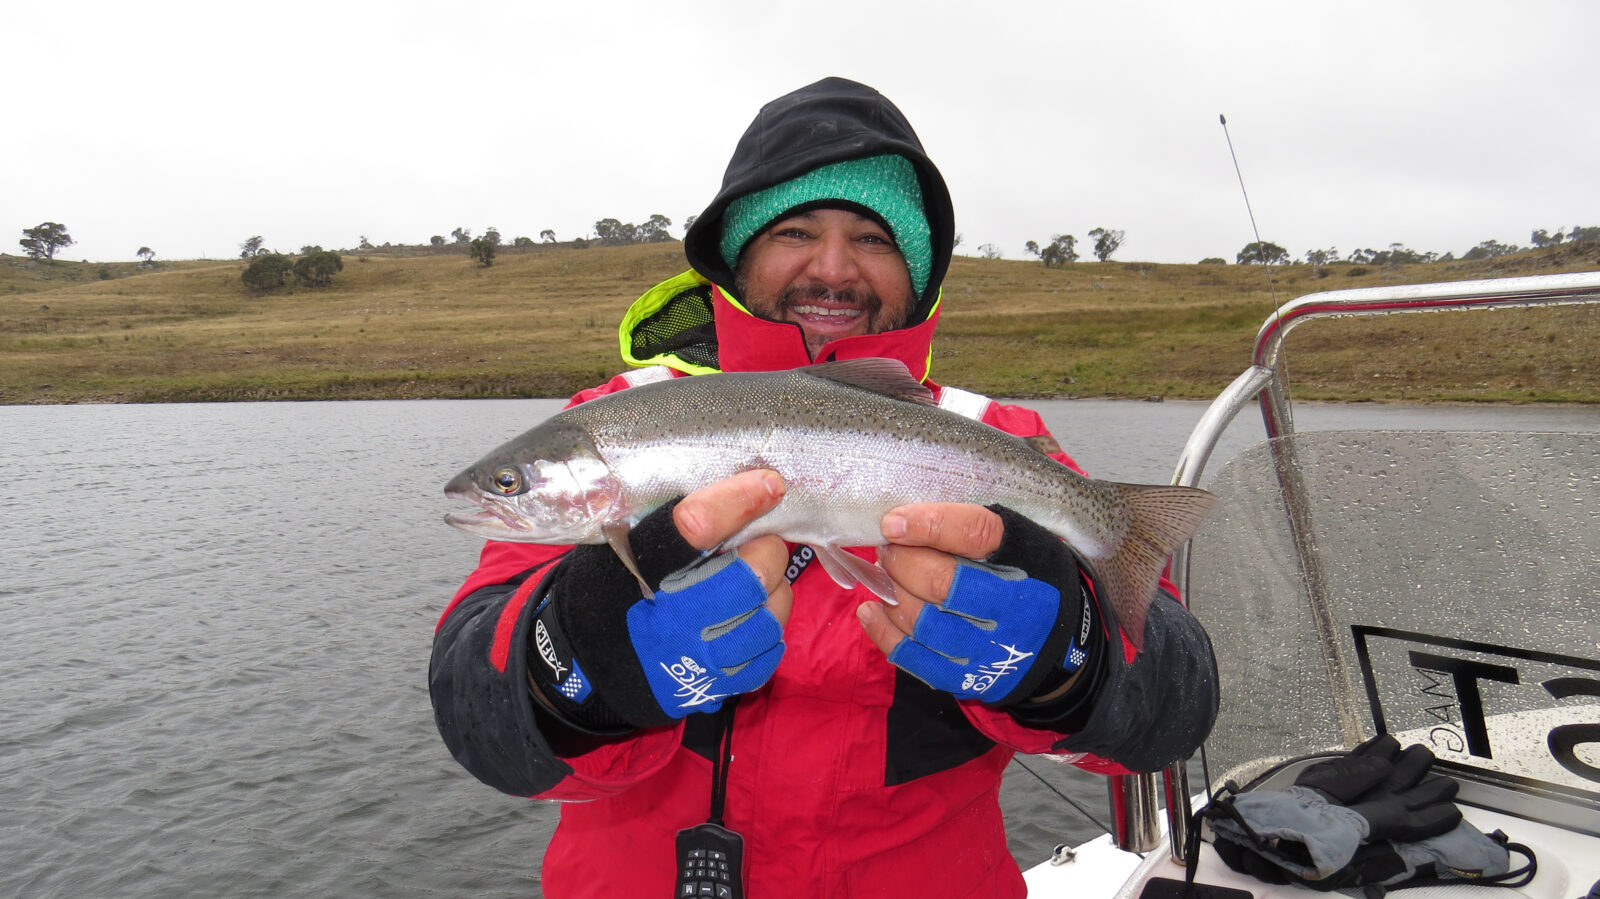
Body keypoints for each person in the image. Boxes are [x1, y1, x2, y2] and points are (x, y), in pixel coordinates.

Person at [430, 76, 1219, 898]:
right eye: (796, 229)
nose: (833, 267)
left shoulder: (1003, 440)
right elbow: (476, 721)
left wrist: (1073, 659)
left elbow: (1172, 713)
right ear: (738, 256)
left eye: (874, 238)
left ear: (916, 271)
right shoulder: (614, 420)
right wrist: (569, 664)